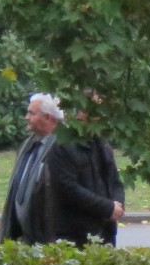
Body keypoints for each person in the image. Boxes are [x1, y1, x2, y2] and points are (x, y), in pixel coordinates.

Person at [46, 105, 125, 246]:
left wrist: (117, 205)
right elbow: (68, 187)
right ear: (80, 115)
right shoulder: (62, 145)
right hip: (74, 234)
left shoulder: (101, 143)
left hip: (105, 232)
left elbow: (114, 180)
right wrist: (107, 208)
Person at [0, 93, 63, 242]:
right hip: (21, 237)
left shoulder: (60, 149)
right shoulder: (27, 145)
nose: (26, 117)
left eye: (31, 113)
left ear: (48, 117)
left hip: (44, 238)